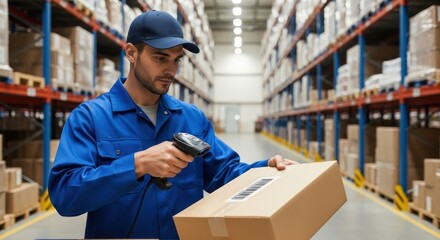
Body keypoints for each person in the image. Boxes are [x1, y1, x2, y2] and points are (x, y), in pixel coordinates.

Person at [48, 10, 296, 239]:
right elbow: (65, 196)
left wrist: (267, 169)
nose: (171, 69)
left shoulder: (191, 118)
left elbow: (224, 173)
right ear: (131, 53)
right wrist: (136, 165)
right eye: (160, 58)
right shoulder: (90, 118)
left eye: (177, 60)